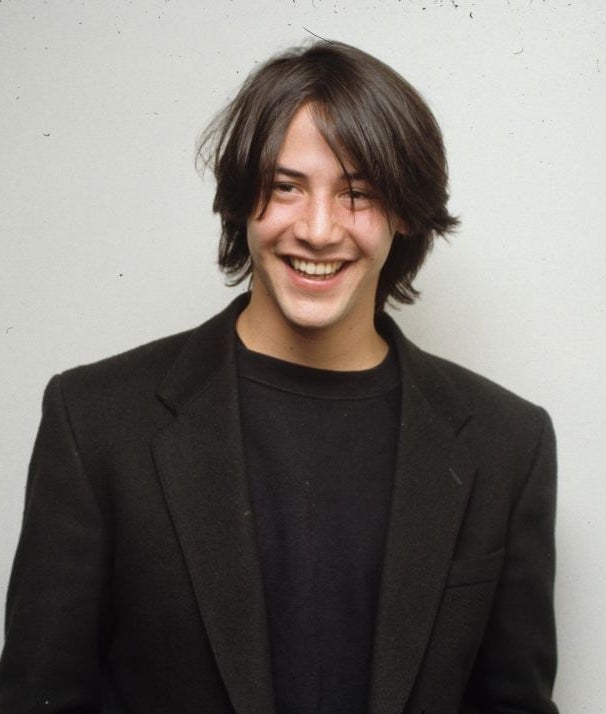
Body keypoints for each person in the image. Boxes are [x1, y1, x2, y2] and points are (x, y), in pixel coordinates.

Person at [0, 40, 558, 713]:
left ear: (406, 212)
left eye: (358, 193)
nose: (318, 230)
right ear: (241, 197)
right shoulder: (95, 420)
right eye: (286, 187)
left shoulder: (508, 442)